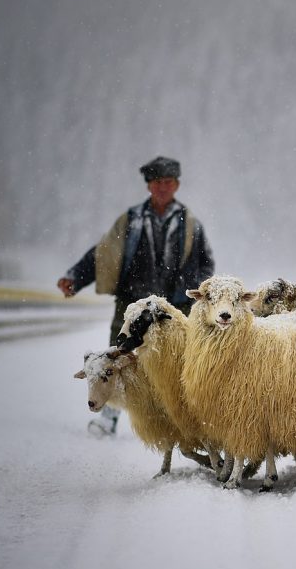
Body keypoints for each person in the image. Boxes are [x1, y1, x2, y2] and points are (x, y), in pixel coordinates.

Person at [58, 156, 215, 435]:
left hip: (173, 308)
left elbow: (205, 264)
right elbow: (104, 254)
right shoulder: (131, 220)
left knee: (177, 362)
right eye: (157, 182)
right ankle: (108, 417)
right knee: (115, 359)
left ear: (176, 185)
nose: (163, 187)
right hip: (131, 302)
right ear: (149, 186)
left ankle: (185, 421)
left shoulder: (189, 223)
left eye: (168, 182)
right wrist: (75, 277)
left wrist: (189, 286)